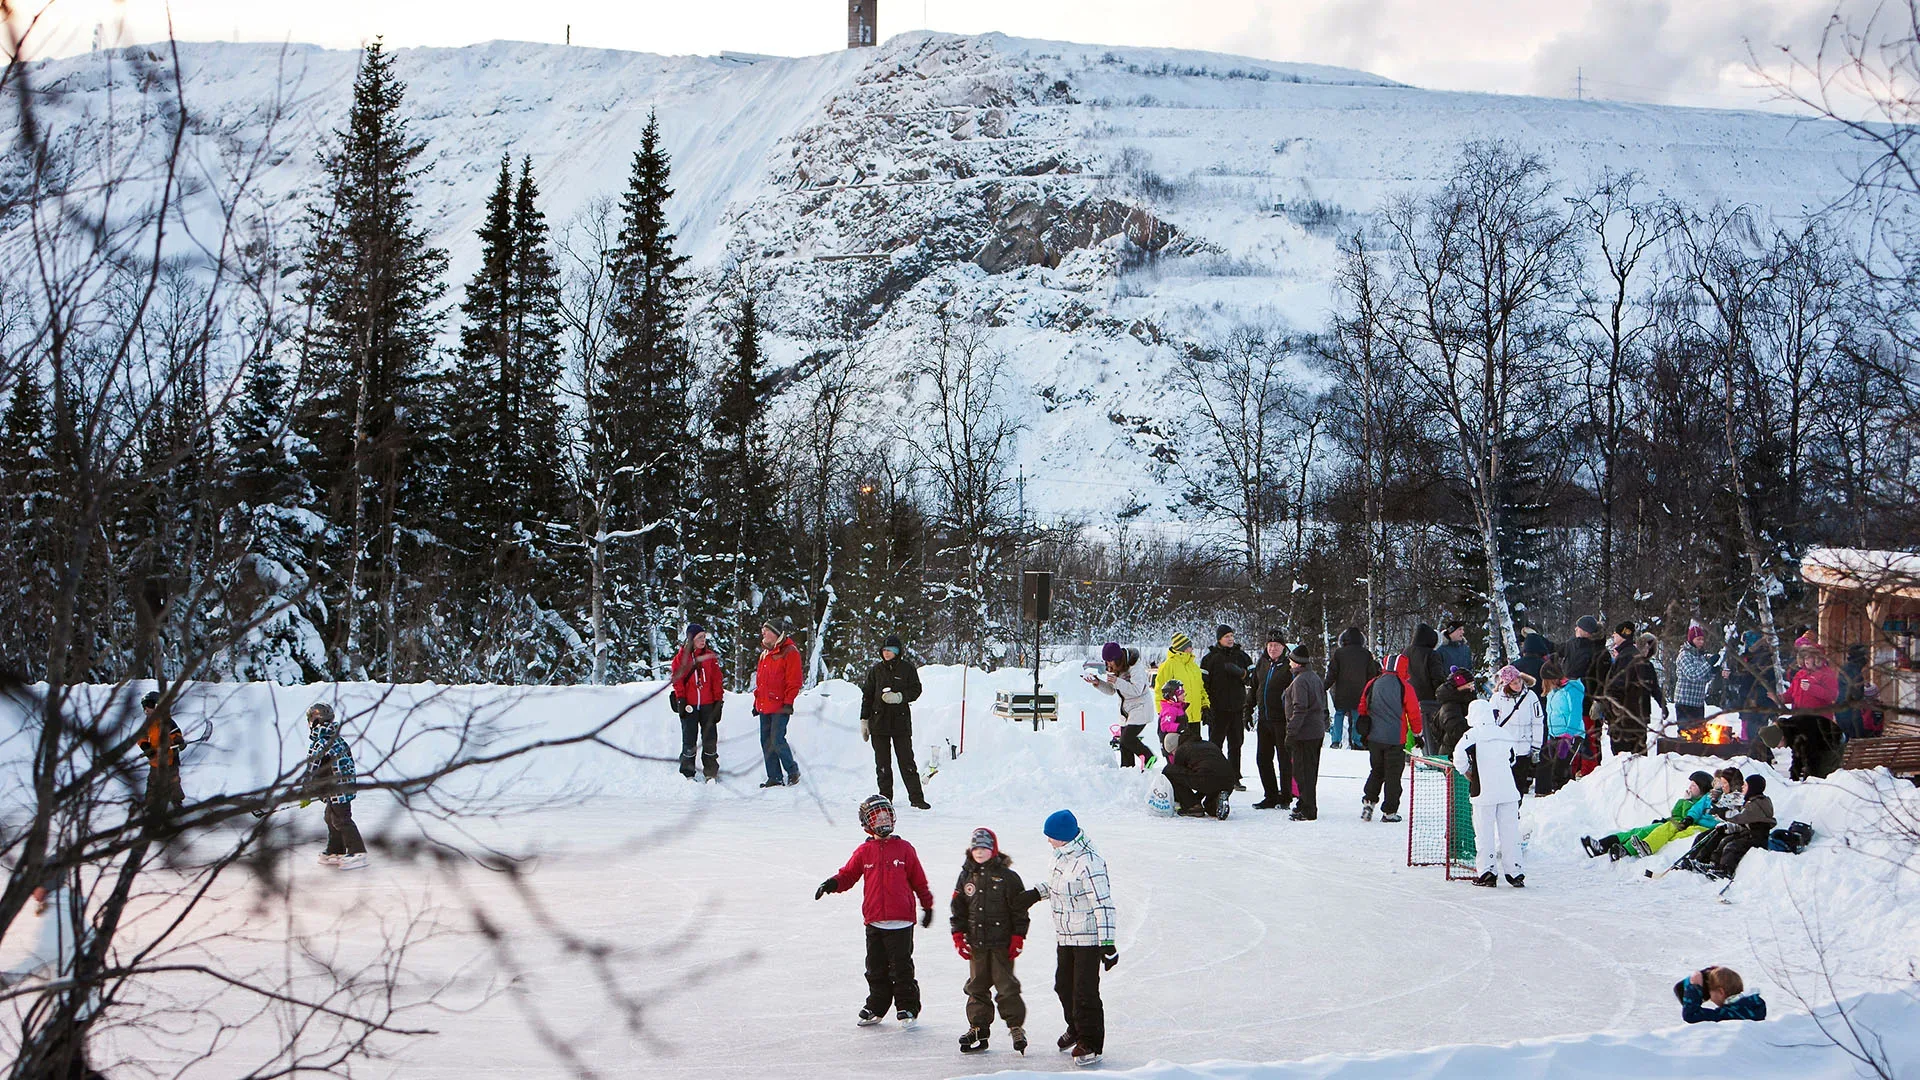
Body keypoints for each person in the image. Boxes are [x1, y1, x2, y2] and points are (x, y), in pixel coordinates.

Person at [814, 795, 935, 1027]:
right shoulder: (864, 851)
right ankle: (877, 1006)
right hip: (874, 920)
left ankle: (908, 1007)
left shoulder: (905, 849)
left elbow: (919, 881)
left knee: (901, 968)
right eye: (876, 816)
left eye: (886, 814)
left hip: (901, 922)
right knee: (875, 967)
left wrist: (927, 906)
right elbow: (848, 875)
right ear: (866, 824)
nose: (882, 820)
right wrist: (831, 884)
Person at [1023, 810, 1117, 1069]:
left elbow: (1103, 904)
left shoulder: (1090, 862)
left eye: (1051, 837)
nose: (1048, 841)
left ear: (1063, 837)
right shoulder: (1062, 857)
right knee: (1063, 986)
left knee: (1085, 992)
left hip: (1088, 939)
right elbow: (1060, 886)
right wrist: (1035, 894)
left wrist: (1107, 943)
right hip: (1065, 935)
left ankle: (1091, 1042)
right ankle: (1075, 1027)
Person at [950, 827, 1031, 1055]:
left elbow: (1019, 911)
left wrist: (1017, 936)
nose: (980, 852)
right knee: (977, 986)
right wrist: (958, 935)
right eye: (976, 847)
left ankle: (1016, 1027)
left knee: (1006, 987)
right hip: (977, 944)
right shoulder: (967, 876)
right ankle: (978, 1027)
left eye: (984, 848)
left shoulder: (1008, 877)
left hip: (1000, 944)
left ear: (993, 850)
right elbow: (958, 909)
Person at [1454, 699, 1523, 887]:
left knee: (1484, 833)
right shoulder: (1504, 733)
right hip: (1508, 791)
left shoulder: (1471, 735)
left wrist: (1467, 771)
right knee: (1510, 832)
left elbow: (1458, 757)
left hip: (1483, 791)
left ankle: (1487, 871)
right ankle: (1515, 871)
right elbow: (1512, 758)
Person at [1581, 770, 1716, 860]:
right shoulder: (1689, 799)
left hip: (1680, 827)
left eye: (1694, 785)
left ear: (1703, 789)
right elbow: (1675, 814)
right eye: (1690, 784)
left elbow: (1687, 818)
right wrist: (1681, 803)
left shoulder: (1700, 803)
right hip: (1671, 824)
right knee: (1637, 831)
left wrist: (1686, 802)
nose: (1690, 787)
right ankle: (1602, 845)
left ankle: (1625, 850)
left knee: (1646, 831)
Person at [862, 634, 929, 809]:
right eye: (884, 650)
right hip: (878, 722)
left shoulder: (907, 669)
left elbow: (916, 689)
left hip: (900, 722)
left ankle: (916, 798)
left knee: (907, 762)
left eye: (890, 650)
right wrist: (864, 719)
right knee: (882, 764)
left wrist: (900, 697)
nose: (886, 653)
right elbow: (867, 695)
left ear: (897, 652)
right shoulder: (876, 671)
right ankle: (885, 798)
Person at [1674, 775, 1776, 880]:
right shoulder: (1749, 801)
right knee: (1708, 837)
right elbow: (1742, 824)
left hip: (1756, 836)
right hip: (1745, 832)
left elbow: (1740, 818)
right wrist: (1727, 827)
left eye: (1745, 785)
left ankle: (1725, 869)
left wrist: (1723, 813)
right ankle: (1698, 860)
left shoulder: (1757, 804)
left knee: (1730, 845)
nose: (1743, 788)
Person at [1358, 654, 1420, 822]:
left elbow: (1362, 706)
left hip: (1374, 737)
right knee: (1393, 775)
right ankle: (1389, 812)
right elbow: (1414, 712)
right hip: (1395, 739)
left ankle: (1369, 802)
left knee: (1376, 770)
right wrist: (1417, 733)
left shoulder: (1374, 682)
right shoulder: (1404, 686)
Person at [304, 703, 367, 870]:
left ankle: (358, 851)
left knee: (341, 819)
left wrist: (306, 791)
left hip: (337, 789)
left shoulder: (320, 743)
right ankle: (335, 850)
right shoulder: (337, 739)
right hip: (340, 788)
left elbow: (312, 769)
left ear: (315, 721)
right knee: (331, 818)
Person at [1781, 634, 1842, 781]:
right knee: (1798, 750)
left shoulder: (1826, 674)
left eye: (1810, 658)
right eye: (1805, 658)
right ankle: (1795, 778)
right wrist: (1779, 698)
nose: (1807, 661)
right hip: (1800, 719)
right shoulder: (1800, 674)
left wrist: (1812, 688)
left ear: (1817, 658)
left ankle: (1814, 778)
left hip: (1818, 722)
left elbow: (1832, 695)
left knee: (1814, 753)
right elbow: (1791, 694)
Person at [670, 624, 725, 782]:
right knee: (689, 738)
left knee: (710, 739)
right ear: (691, 639)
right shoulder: (681, 658)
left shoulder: (709, 657)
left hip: (708, 704)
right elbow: (677, 679)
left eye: (704, 637)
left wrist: (718, 701)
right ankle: (687, 771)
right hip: (690, 704)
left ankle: (711, 771)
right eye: (699, 637)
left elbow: (716, 680)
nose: (703, 640)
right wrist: (681, 699)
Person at [753, 619, 804, 788]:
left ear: (776, 633)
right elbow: (761, 682)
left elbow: (794, 681)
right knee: (765, 741)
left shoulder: (790, 652)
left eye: (766, 630)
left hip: (780, 705)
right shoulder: (764, 654)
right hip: (764, 705)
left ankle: (792, 770)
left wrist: (789, 702)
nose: (763, 633)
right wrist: (756, 702)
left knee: (777, 739)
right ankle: (774, 776)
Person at [1199, 626, 1253, 784]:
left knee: (1236, 744)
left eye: (1231, 635)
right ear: (1219, 639)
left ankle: (1234, 777)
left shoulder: (1242, 656)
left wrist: (1242, 673)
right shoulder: (1210, 659)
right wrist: (1205, 707)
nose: (1230, 639)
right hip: (1217, 709)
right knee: (1215, 745)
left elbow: (1253, 679)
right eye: (1226, 636)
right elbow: (1203, 684)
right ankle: (1215, 776)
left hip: (1236, 708)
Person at [1088, 643, 1155, 768]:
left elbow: (1137, 690)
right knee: (1124, 745)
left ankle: (1148, 757)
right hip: (1126, 711)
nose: (1108, 665)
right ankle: (1127, 771)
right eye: (1106, 661)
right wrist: (1097, 683)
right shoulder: (1115, 669)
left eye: (1110, 661)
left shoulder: (1135, 668)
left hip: (1141, 708)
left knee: (1126, 739)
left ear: (1118, 658)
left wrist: (1117, 681)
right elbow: (1111, 690)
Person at [1282, 645, 1329, 821]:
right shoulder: (1314, 677)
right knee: (1308, 770)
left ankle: (1309, 809)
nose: (1289, 663)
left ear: (1297, 663)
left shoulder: (1301, 681)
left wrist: (1291, 732)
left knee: (1303, 772)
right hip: (1315, 731)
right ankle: (1304, 802)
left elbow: (1300, 708)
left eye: (1291, 660)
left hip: (1305, 733)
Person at [1249, 630, 1294, 810]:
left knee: (1284, 759)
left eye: (1276, 646)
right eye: (1270, 645)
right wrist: (1248, 709)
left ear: (1283, 647)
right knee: (1263, 758)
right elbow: (1254, 687)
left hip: (1281, 720)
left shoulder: (1288, 666)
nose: (1272, 648)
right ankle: (1271, 795)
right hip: (1264, 719)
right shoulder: (1263, 663)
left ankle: (1286, 795)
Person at [1601, 638, 1665, 756]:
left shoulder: (1647, 666)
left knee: (1637, 751)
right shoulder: (1626, 663)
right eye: (1646, 648)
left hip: (1638, 715)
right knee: (1623, 753)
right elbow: (1613, 688)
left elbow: (1654, 687)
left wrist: (1663, 704)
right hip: (1624, 715)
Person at [1490, 665, 1544, 797]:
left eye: (1519, 681)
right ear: (1507, 684)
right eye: (1514, 683)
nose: (1518, 685)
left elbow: (1537, 722)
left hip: (1524, 748)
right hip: (1504, 749)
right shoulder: (1497, 699)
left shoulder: (1531, 697)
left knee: (1519, 784)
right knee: (1504, 784)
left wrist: (1536, 746)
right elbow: (1492, 724)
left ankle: (1516, 810)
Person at [1724, 631, 1778, 761]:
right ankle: (1764, 758)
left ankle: (1759, 760)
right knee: (1756, 733)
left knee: (1752, 734)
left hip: (1756, 702)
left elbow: (1748, 679)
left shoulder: (1760, 658)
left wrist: (1731, 676)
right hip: (1754, 701)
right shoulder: (1756, 657)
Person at [1325, 627, 1380, 753]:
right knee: (1357, 716)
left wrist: (1324, 687)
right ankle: (1357, 741)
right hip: (1359, 693)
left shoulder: (1339, 653)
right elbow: (1371, 674)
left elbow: (1332, 673)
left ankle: (1336, 741)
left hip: (1342, 693)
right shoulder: (1366, 654)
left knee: (1339, 715)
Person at [1161, 732, 1236, 819]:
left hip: (1207, 778)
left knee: (1169, 771)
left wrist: (1193, 802)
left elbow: (1183, 779)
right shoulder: (1207, 744)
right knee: (1210, 808)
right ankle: (1217, 804)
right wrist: (1197, 798)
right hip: (1229, 780)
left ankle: (1192, 807)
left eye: (1172, 752)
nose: (1173, 755)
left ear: (1175, 747)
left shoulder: (1182, 750)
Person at [1537, 659, 1584, 796]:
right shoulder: (1553, 691)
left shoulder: (1573, 689)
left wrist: (1569, 735)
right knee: (1556, 770)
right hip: (1554, 735)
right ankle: (1566, 799)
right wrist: (1549, 735)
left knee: (1559, 770)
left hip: (1570, 736)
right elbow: (1550, 713)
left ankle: (1563, 798)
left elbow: (1575, 713)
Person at [136, 689, 187, 810]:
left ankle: (176, 801)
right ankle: (150, 803)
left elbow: (176, 734)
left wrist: (179, 741)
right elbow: (141, 738)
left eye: (149, 705)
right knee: (153, 782)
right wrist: (147, 748)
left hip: (171, 757)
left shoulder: (167, 721)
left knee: (173, 781)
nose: (146, 709)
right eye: (144, 707)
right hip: (155, 759)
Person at [1153, 633, 1208, 741]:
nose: (1192, 648)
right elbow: (1160, 690)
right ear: (1182, 648)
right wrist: (1163, 712)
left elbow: (1201, 689)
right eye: (1189, 646)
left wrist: (1205, 705)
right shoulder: (1168, 665)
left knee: (1195, 751)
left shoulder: (1194, 666)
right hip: (1178, 717)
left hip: (1195, 717)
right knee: (1180, 751)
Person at [1405, 623, 1449, 756]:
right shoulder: (1431, 654)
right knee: (1431, 733)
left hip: (1409, 697)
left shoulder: (1406, 651)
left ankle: (1408, 755)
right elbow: (1437, 676)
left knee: (1410, 730)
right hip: (1429, 699)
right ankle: (1433, 759)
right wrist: (1443, 693)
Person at [1675, 966, 1767, 1023]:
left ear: (1721, 992)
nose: (1710, 998)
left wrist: (1694, 988)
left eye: (1710, 992)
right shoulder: (1750, 1007)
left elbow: (1691, 1015)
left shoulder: (1729, 1014)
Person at [1673, 623, 1716, 730]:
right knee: (1686, 735)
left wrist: (1713, 672)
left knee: (1699, 735)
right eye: (1698, 639)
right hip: (1685, 703)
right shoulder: (1684, 655)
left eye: (1702, 639)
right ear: (1692, 640)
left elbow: (1704, 679)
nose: (1701, 642)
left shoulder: (1701, 656)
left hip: (1698, 703)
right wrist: (1708, 664)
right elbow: (1693, 675)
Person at [1835, 643, 1875, 741]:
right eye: (1865, 655)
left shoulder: (1847, 668)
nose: (1867, 658)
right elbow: (1856, 695)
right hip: (1850, 713)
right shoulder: (1855, 671)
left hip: (1842, 710)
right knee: (1856, 741)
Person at [1434, 666, 1476, 757]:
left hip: (1462, 751)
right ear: (1459, 687)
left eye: (1473, 685)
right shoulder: (1450, 707)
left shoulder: (1465, 701)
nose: (1472, 688)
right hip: (1452, 754)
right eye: (1469, 685)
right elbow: (1457, 730)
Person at [1157, 680, 1193, 747]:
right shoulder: (1170, 709)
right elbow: (1165, 726)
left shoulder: (1178, 707)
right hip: (1172, 745)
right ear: (1172, 696)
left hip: (1179, 741)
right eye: (1180, 693)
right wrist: (1180, 727)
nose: (1183, 695)